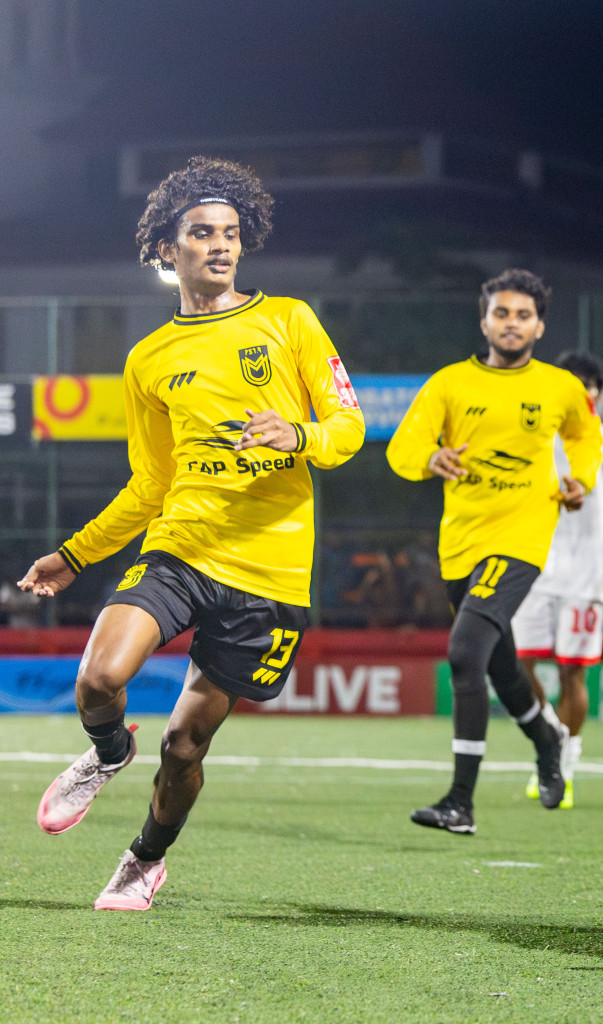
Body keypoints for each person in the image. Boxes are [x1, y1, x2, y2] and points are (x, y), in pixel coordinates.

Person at [17, 157, 365, 910]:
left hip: (269, 570)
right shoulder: (148, 359)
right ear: (165, 251)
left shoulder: (290, 320)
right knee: (98, 679)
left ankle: (145, 859)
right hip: (181, 546)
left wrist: (297, 434)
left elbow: (349, 427)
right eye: (202, 233)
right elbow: (150, 485)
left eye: (231, 234)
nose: (221, 245)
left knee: (185, 747)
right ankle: (109, 752)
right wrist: (74, 555)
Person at [387, 269, 601, 833]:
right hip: (460, 544)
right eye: (502, 314)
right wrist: (430, 458)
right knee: (503, 667)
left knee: (464, 652)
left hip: (522, 538)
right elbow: (405, 445)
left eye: (523, 315)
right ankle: (547, 737)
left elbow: (585, 435)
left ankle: (461, 800)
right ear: (484, 321)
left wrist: (580, 478)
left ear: (539, 325)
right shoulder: (449, 383)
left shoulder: (559, 386)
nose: (512, 323)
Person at [514, 351, 603, 808]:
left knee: (573, 674)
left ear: (596, 393)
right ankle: (550, 736)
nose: (578, 392)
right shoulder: (534, 441)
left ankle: (564, 766)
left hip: (588, 576)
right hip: (534, 570)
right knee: (517, 666)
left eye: (586, 386)